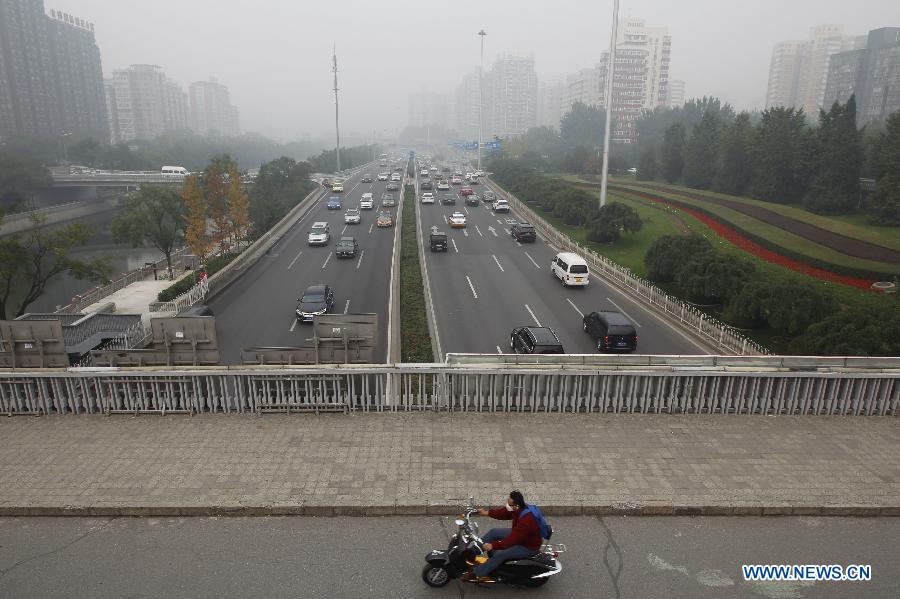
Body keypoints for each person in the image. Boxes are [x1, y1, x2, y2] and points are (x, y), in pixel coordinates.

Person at [460, 490, 542, 582]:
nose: (507, 504)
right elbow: (504, 513)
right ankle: (472, 552)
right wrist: (487, 513)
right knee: (494, 532)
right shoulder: (519, 508)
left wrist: (493, 545)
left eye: (509, 503)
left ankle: (476, 573)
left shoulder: (526, 520)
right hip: (521, 535)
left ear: (516, 506)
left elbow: (512, 540)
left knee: (501, 554)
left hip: (527, 545)